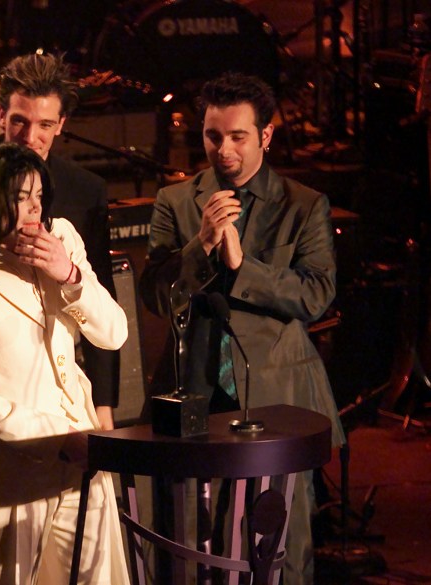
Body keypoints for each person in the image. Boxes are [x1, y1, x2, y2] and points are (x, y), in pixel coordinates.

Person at [138, 71, 345, 584]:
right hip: (194, 388)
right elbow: (155, 296)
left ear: (266, 137)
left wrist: (242, 266)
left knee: (281, 541)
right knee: (187, 537)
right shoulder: (176, 201)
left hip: (278, 390)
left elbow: (316, 294)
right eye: (213, 136)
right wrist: (201, 245)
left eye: (237, 137)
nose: (223, 149)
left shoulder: (303, 205)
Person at [0, 142, 129, 585]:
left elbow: (113, 333)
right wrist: (56, 437)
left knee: (96, 577)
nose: (35, 211)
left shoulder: (62, 240)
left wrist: (70, 277)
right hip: (14, 471)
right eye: (21, 198)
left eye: (38, 197)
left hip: (82, 460)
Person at [0, 52, 119, 433]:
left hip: (70, 405)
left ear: (61, 124)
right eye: (19, 121)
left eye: (45, 124)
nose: (30, 138)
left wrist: (103, 400)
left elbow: (105, 313)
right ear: (1, 116)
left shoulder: (83, 194)